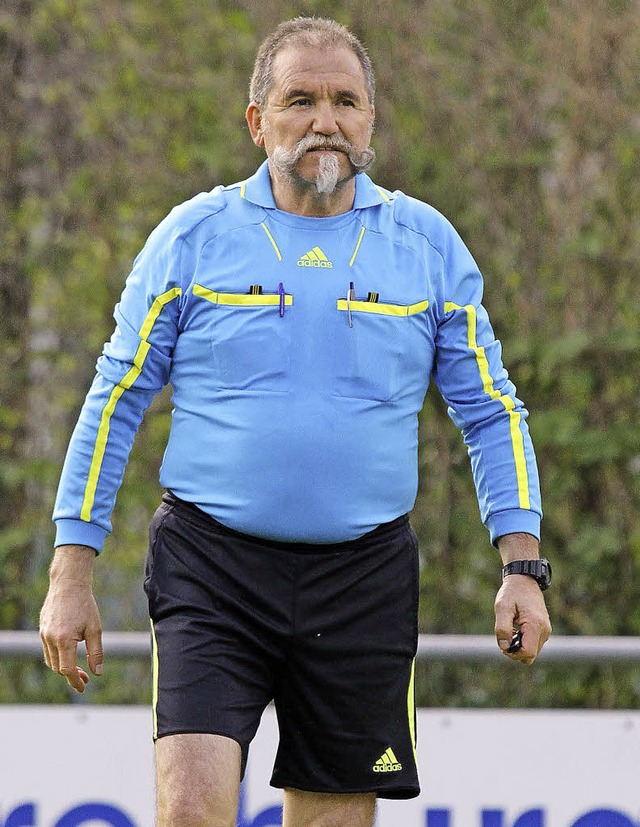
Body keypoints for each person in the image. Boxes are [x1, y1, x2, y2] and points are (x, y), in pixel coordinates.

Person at [39, 16, 552, 827]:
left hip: (364, 579)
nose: (326, 120)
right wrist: (72, 569)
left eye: (346, 101)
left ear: (371, 121)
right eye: (300, 99)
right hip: (212, 570)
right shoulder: (192, 238)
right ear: (256, 122)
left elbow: (491, 411)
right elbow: (115, 397)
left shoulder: (426, 247)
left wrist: (522, 567)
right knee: (191, 808)